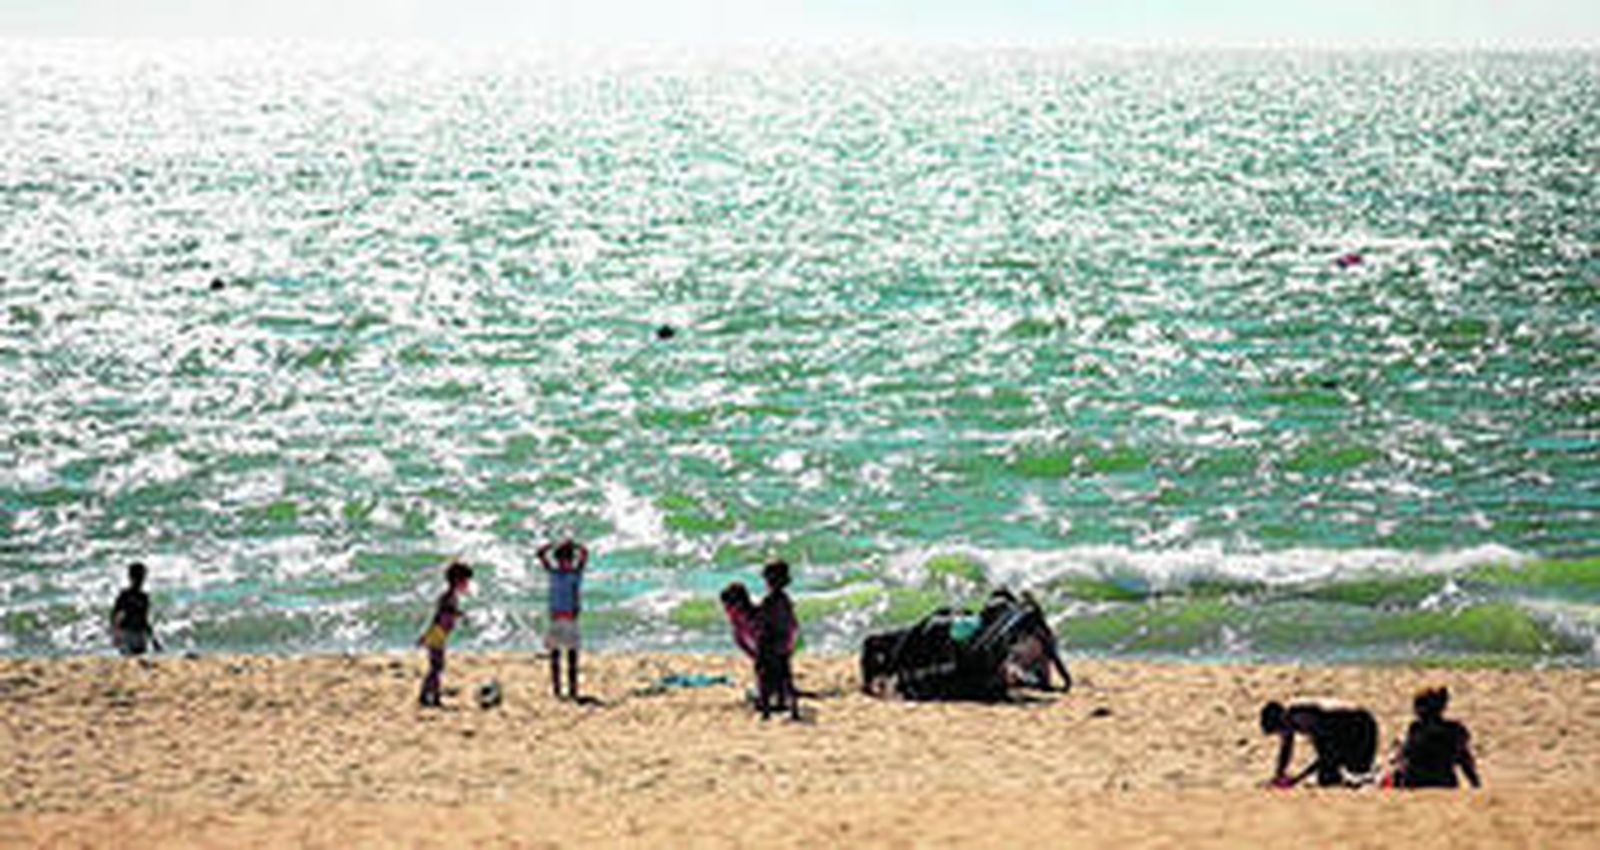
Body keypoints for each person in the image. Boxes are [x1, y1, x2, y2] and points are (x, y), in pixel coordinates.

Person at [1260, 699, 1378, 788]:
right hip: (1346, 728)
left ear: (1282, 719)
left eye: (1278, 730)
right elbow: (1286, 749)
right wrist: (1278, 775)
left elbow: (1326, 755)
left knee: (1353, 769)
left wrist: (1297, 779)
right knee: (1327, 775)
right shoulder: (1289, 720)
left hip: (1360, 725)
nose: (1282, 734)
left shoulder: (1304, 718)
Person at [1391, 686, 1480, 788]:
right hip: (1444, 781)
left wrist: (1398, 751)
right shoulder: (1454, 730)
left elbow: (1406, 757)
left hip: (1416, 782)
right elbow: (1465, 761)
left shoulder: (1416, 729)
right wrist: (1475, 783)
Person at [417, 560, 472, 708]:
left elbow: (447, 611)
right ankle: (427, 695)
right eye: (465, 582)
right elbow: (440, 614)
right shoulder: (447, 597)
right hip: (437, 634)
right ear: (457, 581)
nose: (467, 586)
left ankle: (431, 694)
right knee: (436, 667)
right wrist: (427, 634)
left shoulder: (451, 596)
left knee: (437, 667)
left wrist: (459, 614)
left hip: (440, 634)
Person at [539, 538, 588, 701]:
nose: (564, 563)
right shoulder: (553, 573)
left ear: (571, 560)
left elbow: (585, 554)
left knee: (572, 656)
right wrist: (553, 545)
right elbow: (540, 554)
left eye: (567, 560)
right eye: (561, 560)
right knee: (555, 656)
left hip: (570, 619)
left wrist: (573, 544)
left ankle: (573, 690)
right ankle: (557, 690)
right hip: (555, 618)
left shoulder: (575, 574)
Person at [756, 560, 801, 721]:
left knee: (764, 675)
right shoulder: (786, 600)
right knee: (785, 676)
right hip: (782, 642)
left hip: (768, 642)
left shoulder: (768, 600)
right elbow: (793, 622)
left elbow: (761, 621)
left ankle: (766, 710)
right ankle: (793, 707)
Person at [110, 561, 162, 656]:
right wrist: (116, 634)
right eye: (138, 577)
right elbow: (115, 616)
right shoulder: (125, 595)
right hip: (127, 633)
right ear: (130, 578)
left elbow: (145, 620)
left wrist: (154, 640)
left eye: (142, 577)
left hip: (140, 634)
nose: (140, 580)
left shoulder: (144, 597)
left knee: (138, 658)